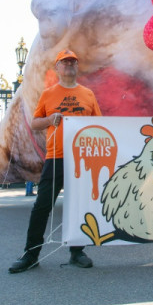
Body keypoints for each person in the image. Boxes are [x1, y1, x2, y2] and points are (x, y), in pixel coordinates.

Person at [8, 49, 102, 273]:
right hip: (56, 157)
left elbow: (99, 125)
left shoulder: (88, 94)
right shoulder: (48, 94)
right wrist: (50, 119)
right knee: (42, 206)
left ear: (77, 67)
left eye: (73, 61)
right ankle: (31, 254)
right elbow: (35, 123)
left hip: (81, 159)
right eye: (64, 62)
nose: (69, 65)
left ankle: (77, 251)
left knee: (79, 206)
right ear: (57, 67)